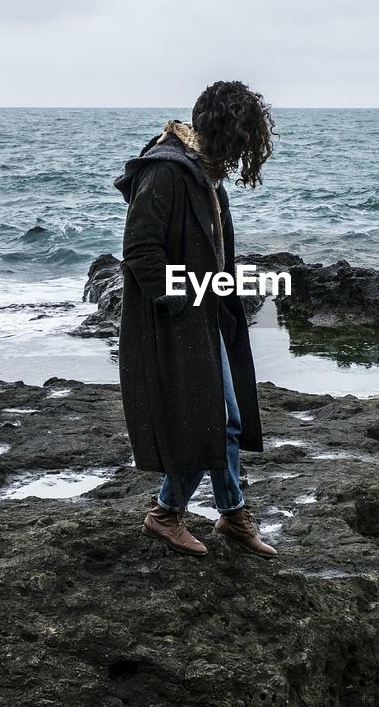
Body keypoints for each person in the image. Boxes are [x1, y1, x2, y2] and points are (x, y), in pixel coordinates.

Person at [113, 80, 277, 557]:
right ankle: (170, 515)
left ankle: (226, 515)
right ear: (224, 132)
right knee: (213, 418)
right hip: (175, 322)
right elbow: (140, 250)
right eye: (243, 137)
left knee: (223, 417)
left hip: (209, 314)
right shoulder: (167, 171)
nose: (246, 149)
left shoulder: (204, 171)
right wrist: (180, 303)